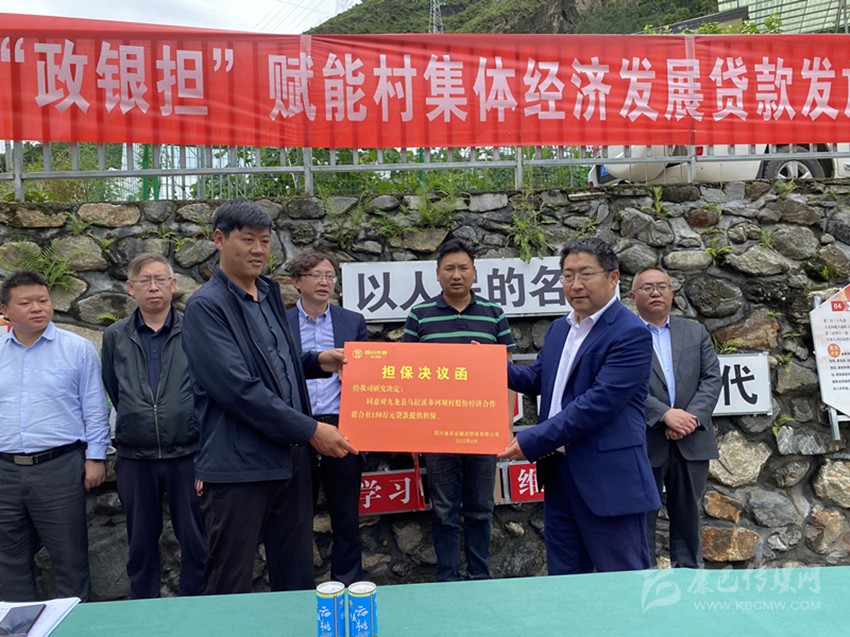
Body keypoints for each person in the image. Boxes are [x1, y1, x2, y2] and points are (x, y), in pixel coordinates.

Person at [181, 200, 356, 595]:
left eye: (264, 240)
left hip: (289, 461)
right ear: (219, 240)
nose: (259, 249)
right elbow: (238, 389)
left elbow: (275, 362)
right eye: (248, 240)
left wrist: (316, 362)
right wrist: (311, 430)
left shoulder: (268, 293)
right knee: (230, 581)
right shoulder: (207, 307)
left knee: (296, 575)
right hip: (238, 467)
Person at [499, 237, 659, 575]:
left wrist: (532, 439)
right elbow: (539, 378)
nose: (575, 285)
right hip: (560, 475)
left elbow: (596, 404)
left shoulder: (630, 333)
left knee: (622, 580)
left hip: (609, 479)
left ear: (613, 278)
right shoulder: (561, 328)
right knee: (567, 582)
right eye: (568, 276)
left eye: (586, 274)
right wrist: (488, 368)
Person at [403, 238, 515, 582]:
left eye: (463, 268)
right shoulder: (419, 315)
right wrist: (411, 433)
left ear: (474, 273)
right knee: (444, 511)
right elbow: (408, 377)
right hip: (436, 432)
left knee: (481, 509)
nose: (456, 275)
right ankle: (448, 579)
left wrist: (506, 425)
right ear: (437, 274)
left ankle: (479, 577)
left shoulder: (494, 314)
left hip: (483, 430)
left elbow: (509, 375)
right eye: (449, 268)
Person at [101, 253, 206, 598]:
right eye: (144, 280)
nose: (154, 287)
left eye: (160, 279)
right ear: (130, 288)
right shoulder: (116, 336)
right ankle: (143, 611)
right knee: (141, 545)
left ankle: (196, 609)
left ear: (173, 285)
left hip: (188, 452)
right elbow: (114, 388)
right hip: (136, 457)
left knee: (196, 540)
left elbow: (208, 390)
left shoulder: (194, 329)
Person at [0, 270, 109, 601]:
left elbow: (95, 407)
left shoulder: (77, 349)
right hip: (5, 470)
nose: (37, 308)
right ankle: (17, 624)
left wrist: (96, 456)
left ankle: (74, 623)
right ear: (5, 310)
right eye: (26, 303)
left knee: (69, 558)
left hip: (59, 467)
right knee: (8, 560)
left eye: (43, 300)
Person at [630, 267, 721, 568]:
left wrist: (689, 419)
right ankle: (644, 580)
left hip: (691, 440)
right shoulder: (623, 335)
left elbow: (712, 378)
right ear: (633, 296)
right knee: (641, 517)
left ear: (672, 293)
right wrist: (664, 415)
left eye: (662, 286)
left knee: (688, 517)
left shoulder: (695, 332)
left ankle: (689, 577)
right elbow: (621, 385)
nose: (655, 292)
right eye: (647, 287)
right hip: (644, 439)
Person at [286, 251, 367, 586]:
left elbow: (367, 374)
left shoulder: (352, 321)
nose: (324, 282)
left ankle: (348, 584)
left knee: (346, 515)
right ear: (296, 282)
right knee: (294, 516)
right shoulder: (281, 322)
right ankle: (297, 587)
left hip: (341, 426)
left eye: (329, 276)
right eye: (316, 275)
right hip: (296, 426)